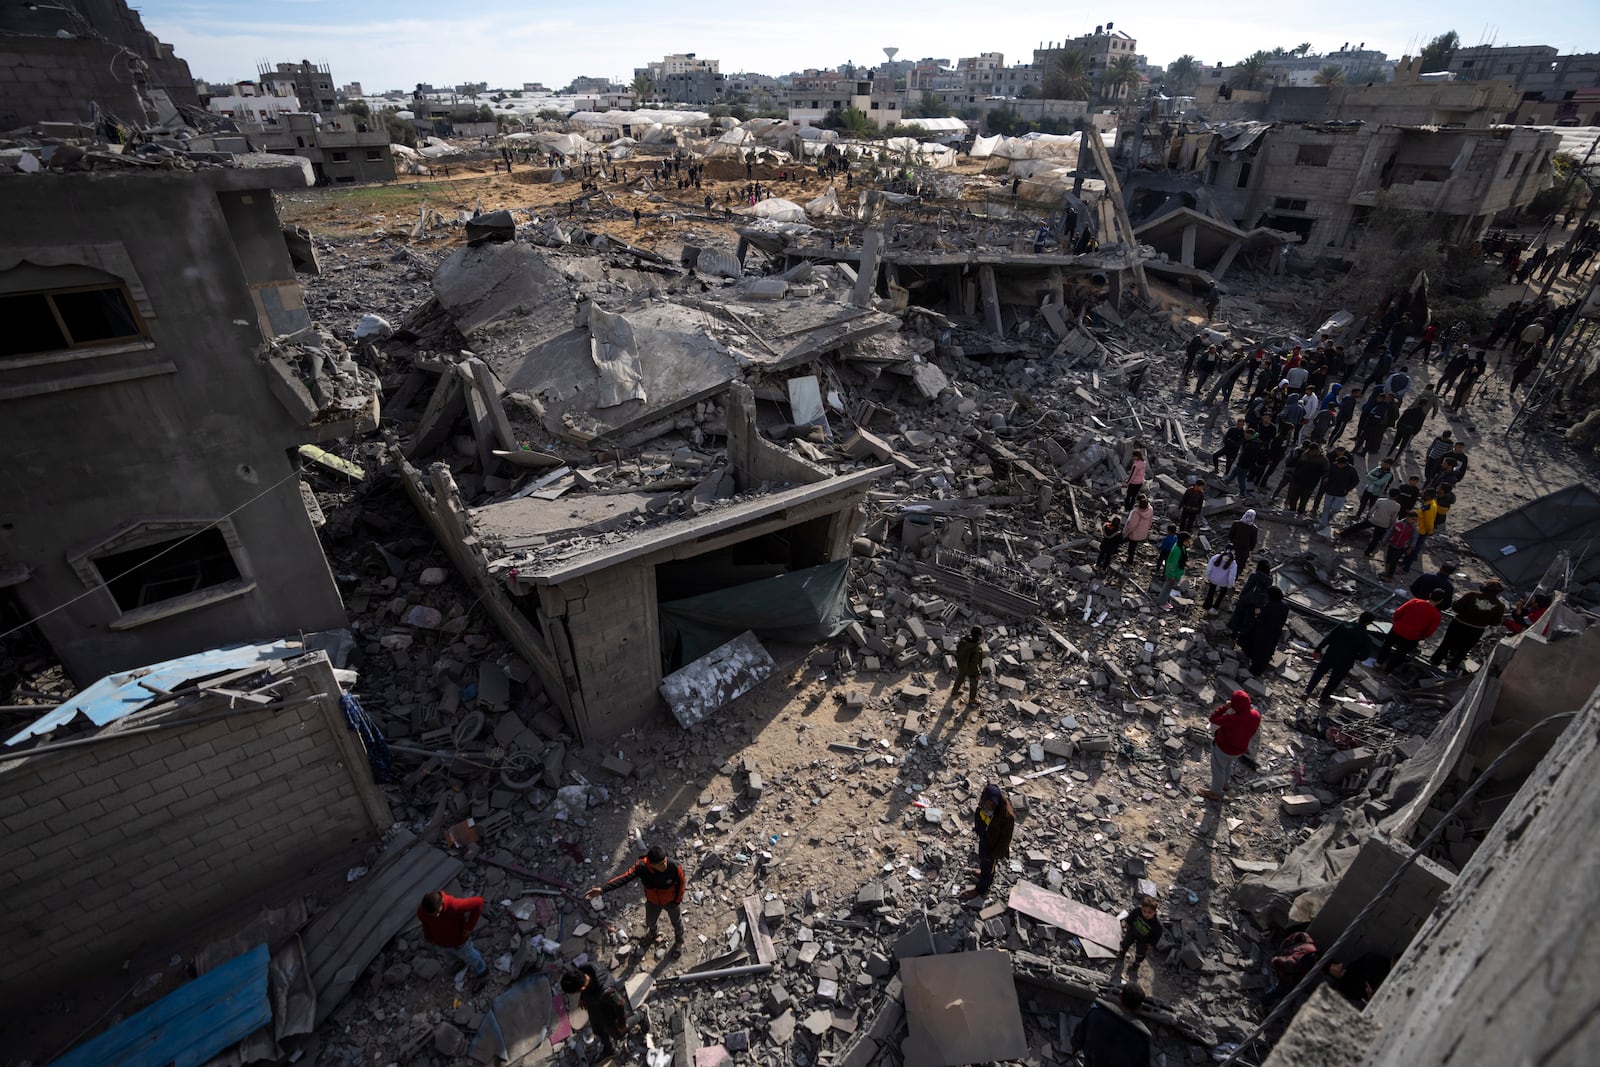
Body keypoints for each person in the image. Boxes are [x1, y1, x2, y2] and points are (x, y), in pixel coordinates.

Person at [584, 845, 687, 952]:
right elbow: (624, 878)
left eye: (665, 861)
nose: (664, 865)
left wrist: (676, 901)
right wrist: (602, 889)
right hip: (653, 902)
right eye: (661, 864)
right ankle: (653, 933)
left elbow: (681, 883)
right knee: (650, 922)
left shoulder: (674, 867)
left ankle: (679, 940)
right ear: (651, 864)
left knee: (676, 921)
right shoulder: (641, 867)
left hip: (671, 901)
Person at [561, 961, 646, 1059]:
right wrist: (583, 998)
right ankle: (609, 1049)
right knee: (597, 1030)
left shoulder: (605, 991)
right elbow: (584, 987)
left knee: (618, 1033)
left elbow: (620, 1003)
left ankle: (641, 1014)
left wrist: (621, 1023)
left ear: (583, 987)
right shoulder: (584, 970)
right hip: (595, 1007)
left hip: (608, 1012)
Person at [1069, 983, 1152, 1067]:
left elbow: (1077, 1039)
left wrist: (1074, 1052)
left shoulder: (1096, 1015)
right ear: (1139, 1007)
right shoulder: (1141, 1039)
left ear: (1120, 996)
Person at [1200, 689, 1260, 801]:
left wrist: (1225, 707)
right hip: (1240, 749)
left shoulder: (1232, 719)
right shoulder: (1256, 715)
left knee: (1218, 769)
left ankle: (1215, 792)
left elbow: (1213, 718)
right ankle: (1225, 784)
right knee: (1228, 765)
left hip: (1223, 748)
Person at [1430, 582, 1505, 671]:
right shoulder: (1500, 606)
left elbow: (1456, 608)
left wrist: (1456, 604)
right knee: (1464, 650)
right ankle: (1452, 667)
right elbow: (1495, 623)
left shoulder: (1471, 595)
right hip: (1476, 630)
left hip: (1458, 624)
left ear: (1484, 588)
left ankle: (1435, 661)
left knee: (1446, 643)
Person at [1304, 612, 1376, 701]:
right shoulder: (1366, 638)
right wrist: (1354, 656)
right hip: (1346, 661)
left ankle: (1307, 691)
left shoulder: (1343, 625)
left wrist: (1318, 650)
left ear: (1359, 616)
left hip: (1331, 654)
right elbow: (1364, 656)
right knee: (1334, 680)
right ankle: (1324, 697)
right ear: (1369, 623)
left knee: (1319, 672)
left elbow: (1329, 638)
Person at [960, 783, 1015, 900]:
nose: (989, 807)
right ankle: (984, 872)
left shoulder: (1006, 815)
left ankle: (981, 888)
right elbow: (979, 816)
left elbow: (1006, 838)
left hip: (994, 845)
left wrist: (997, 853)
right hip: (985, 837)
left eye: (992, 805)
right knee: (983, 859)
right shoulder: (983, 804)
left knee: (989, 865)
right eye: (987, 804)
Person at [416, 888, 488, 978]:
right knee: (450, 956)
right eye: (432, 915)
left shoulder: (455, 905)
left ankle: (482, 970)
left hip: (459, 942)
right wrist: (429, 938)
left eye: (437, 913)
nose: (435, 916)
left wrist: (469, 927)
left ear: (442, 902)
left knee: (471, 957)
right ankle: (459, 963)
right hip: (441, 943)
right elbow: (425, 924)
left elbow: (479, 902)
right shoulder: (423, 912)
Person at [1376, 592, 1447, 671]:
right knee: (1400, 654)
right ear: (1440, 601)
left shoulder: (1415, 601)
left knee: (1387, 645)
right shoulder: (1436, 615)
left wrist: (1397, 622)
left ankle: (1378, 663)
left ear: (1430, 595)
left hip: (1398, 629)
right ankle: (1388, 670)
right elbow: (1429, 631)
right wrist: (1421, 637)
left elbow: (1398, 612)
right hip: (1412, 637)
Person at [1263, 932, 1321, 1008]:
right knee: (1279, 990)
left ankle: (1270, 999)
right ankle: (1265, 1001)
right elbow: (1277, 961)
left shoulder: (1307, 944)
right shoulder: (1294, 962)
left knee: (1282, 989)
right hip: (1287, 977)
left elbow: (1302, 934)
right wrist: (1276, 961)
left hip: (1290, 965)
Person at [1241, 586, 1290, 675]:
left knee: (1258, 649)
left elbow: (1261, 618)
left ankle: (1254, 670)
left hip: (1264, 631)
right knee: (1266, 651)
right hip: (1276, 632)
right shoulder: (1285, 605)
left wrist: (1257, 614)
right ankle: (1259, 669)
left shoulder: (1270, 605)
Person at [1117, 896, 1165, 973]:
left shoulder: (1156, 924)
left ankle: (1136, 963)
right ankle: (1122, 953)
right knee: (1125, 942)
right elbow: (1131, 916)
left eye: (1150, 913)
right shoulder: (1138, 911)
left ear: (1155, 912)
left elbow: (1157, 935)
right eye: (1144, 911)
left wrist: (1151, 943)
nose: (1146, 914)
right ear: (1141, 908)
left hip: (1144, 940)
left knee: (1140, 952)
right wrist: (1128, 923)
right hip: (1133, 932)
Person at [1227, 559, 1273, 636]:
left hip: (1247, 599)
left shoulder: (1255, 575)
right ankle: (1242, 634)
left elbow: (1247, 587)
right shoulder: (1269, 579)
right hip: (1258, 602)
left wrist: (1241, 596)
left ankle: (1234, 633)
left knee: (1239, 615)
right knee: (1248, 618)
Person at [1318, 454, 1361, 529]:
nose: (1339, 465)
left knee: (1336, 509)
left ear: (1345, 463)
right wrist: (1326, 479)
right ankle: (1323, 523)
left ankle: (1330, 515)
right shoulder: (1333, 466)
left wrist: (1348, 488)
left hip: (1341, 493)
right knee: (1326, 508)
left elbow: (1356, 481)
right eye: (1338, 464)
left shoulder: (1352, 470)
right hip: (1330, 490)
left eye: (1340, 464)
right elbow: (1327, 474)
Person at [1155, 531, 1190, 610]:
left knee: (1169, 588)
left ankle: (1164, 600)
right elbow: (1172, 564)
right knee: (1167, 587)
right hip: (1172, 574)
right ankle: (1161, 602)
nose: (1188, 542)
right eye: (1187, 540)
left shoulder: (1181, 547)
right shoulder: (1177, 550)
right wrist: (1172, 575)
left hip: (1176, 572)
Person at [951, 626, 984, 705]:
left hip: (961, 664)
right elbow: (974, 664)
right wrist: (977, 673)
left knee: (960, 678)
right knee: (973, 683)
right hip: (970, 669)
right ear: (978, 636)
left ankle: (954, 691)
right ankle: (972, 699)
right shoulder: (976, 649)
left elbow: (958, 651)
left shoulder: (963, 641)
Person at [1382, 511, 1419, 580]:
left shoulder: (1414, 529)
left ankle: (1390, 576)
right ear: (1407, 517)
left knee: (1394, 562)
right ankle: (1386, 572)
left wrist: (1410, 549)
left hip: (1401, 547)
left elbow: (1414, 540)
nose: (1414, 521)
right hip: (1392, 544)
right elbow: (1390, 532)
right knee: (1388, 560)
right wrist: (1385, 540)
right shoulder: (1398, 523)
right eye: (1412, 519)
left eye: (1415, 520)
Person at [1202, 549, 1238, 614]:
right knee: (1222, 594)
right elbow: (1231, 576)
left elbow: (1209, 568)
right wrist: (1230, 585)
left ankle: (1206, 606)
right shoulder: (1233, 563)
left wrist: (1207, 577)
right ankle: (1215, 608)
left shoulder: (1216, 557)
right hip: (1223, 582)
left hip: (1213, 579)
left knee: (1211, 591)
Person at [1124, 496, 1155, 564]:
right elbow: (1150, 521)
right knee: (1134, 545)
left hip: (1134, 533)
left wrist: (1125, 533)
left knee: (1131, 547)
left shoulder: (1136, 512)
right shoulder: (1150, 509)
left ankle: (1129, 560)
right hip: (1143, 532)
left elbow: (1132, 525)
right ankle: (1130, 559)